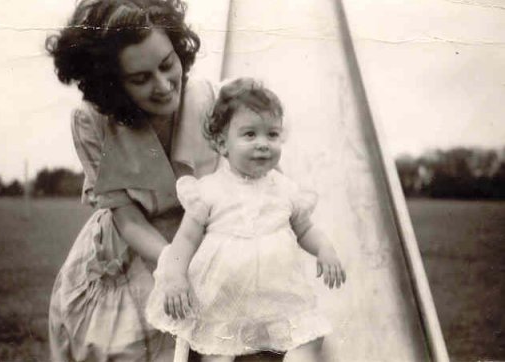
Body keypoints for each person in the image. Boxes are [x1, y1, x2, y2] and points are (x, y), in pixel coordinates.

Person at [46, 0, 220, 360]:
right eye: (140, 79)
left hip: (205, 239)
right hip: (134, 250)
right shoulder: (92, 121)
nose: (163, 86)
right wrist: (171, 264)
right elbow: (126, 217)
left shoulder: (207, 99)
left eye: (167, 65)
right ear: (111, 84)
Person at [145, 78, 346, 362]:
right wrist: (175, 276)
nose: (263, 144)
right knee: (217, 349)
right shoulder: (209, 191)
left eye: (272, 135)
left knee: (310, 338)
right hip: (222, 299)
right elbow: (186, 240)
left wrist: (325, 249)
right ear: (221, 143)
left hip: (275, 298)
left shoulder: (285, 189)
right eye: (250, 135)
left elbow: (305, 228)